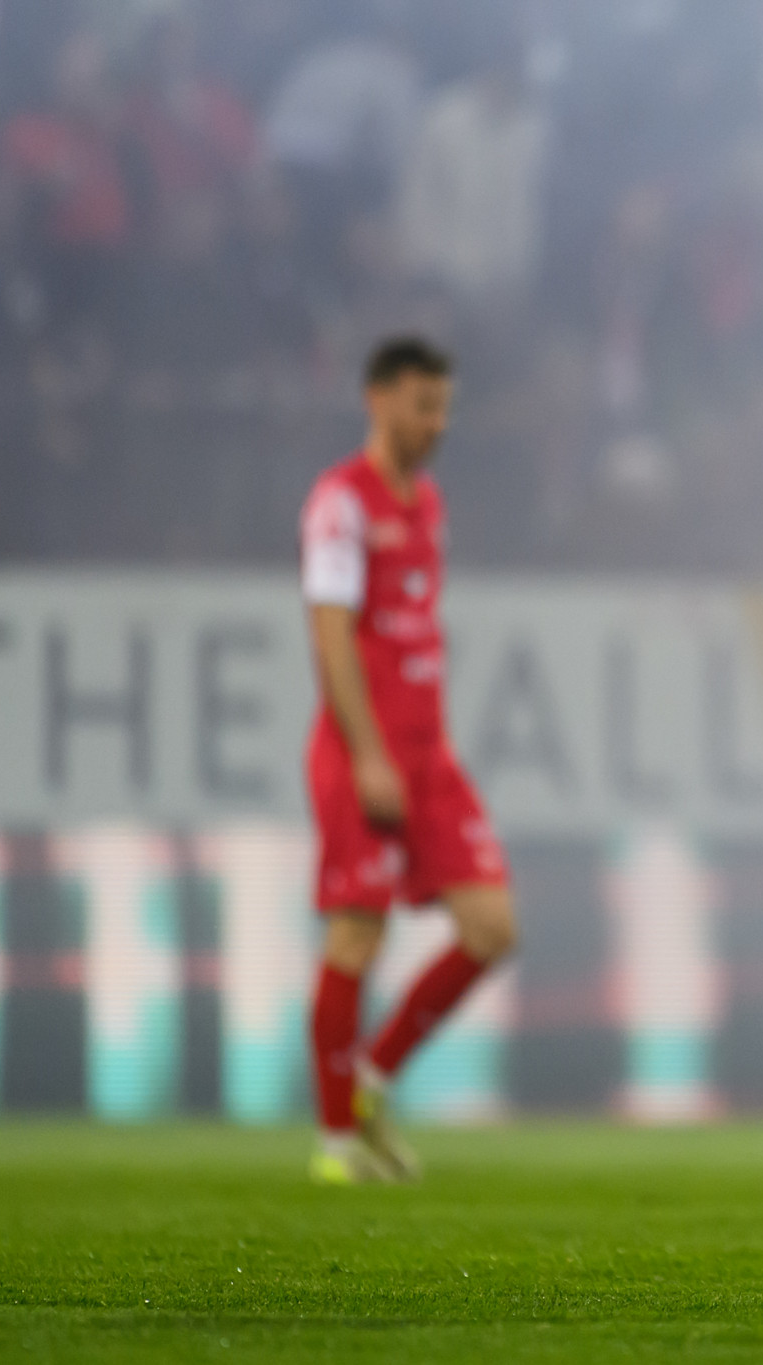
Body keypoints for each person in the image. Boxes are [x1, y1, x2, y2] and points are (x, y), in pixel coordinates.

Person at [299, 336, 517, 1185]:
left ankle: (371, 1080)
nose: (437, 423)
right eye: (424, 405)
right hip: (366, 753)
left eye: (444, 408)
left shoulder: (426, 502)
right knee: (357, 932)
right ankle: (335, 1144)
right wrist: (367, 754)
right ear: (379, 399)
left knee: (491, 928)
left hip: (430, 756)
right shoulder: (339, 503)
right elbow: (331, 632)